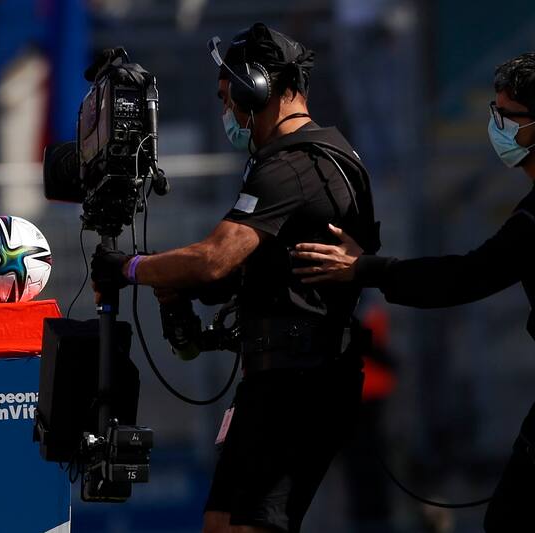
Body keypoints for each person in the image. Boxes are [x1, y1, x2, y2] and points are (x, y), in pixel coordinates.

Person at [92, 23, 379, 533]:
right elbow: (231, 271)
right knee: (222, 523)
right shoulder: (297, 160)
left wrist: (128, 268)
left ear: (257, 89)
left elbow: (215, 259)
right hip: (275, 376)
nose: (229, 113)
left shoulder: (294, 166)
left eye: (230, 99)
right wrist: (176, 278)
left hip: (302, 381)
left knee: (252, 528)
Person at [290, 52, 535, 532]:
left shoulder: (531, 222)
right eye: (493, 112)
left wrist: (363, 269)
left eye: (508, 117)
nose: (497, 126)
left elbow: (462, 278)